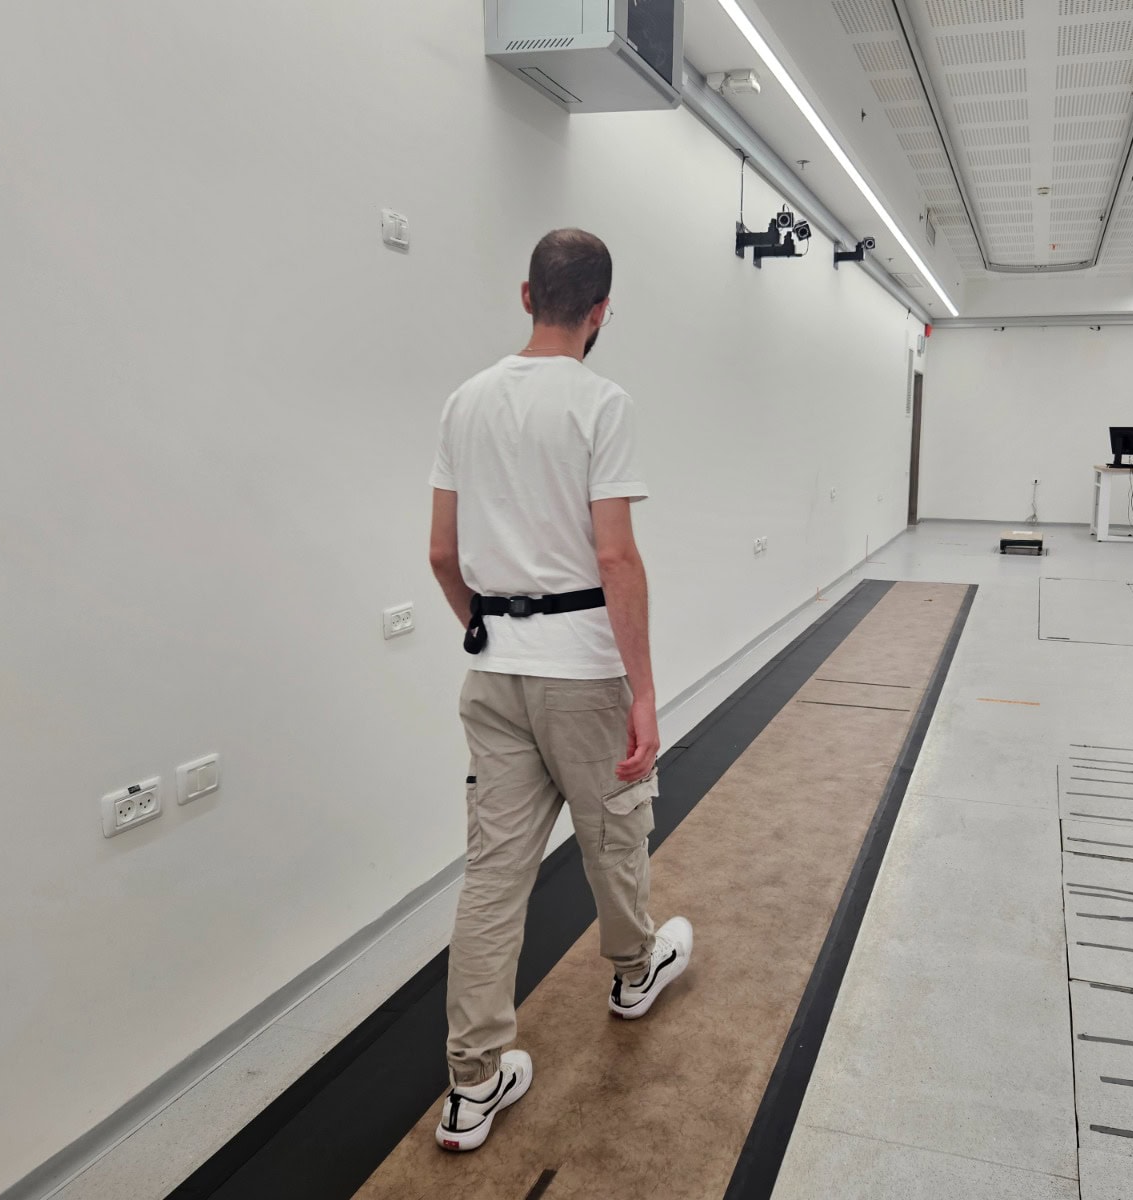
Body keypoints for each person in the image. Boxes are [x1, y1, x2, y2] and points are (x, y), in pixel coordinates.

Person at [425, 229, 693, 1152]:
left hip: (493, 669)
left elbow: (440, 553)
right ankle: (632, 972)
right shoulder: (601, 403)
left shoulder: (465, 402)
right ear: (601, 311)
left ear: (526, 293)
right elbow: (615, 555)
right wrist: (647, 694)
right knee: (614, 836)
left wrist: (482, 621)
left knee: (493, 876)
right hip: (581, 671)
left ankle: (471, 1083)